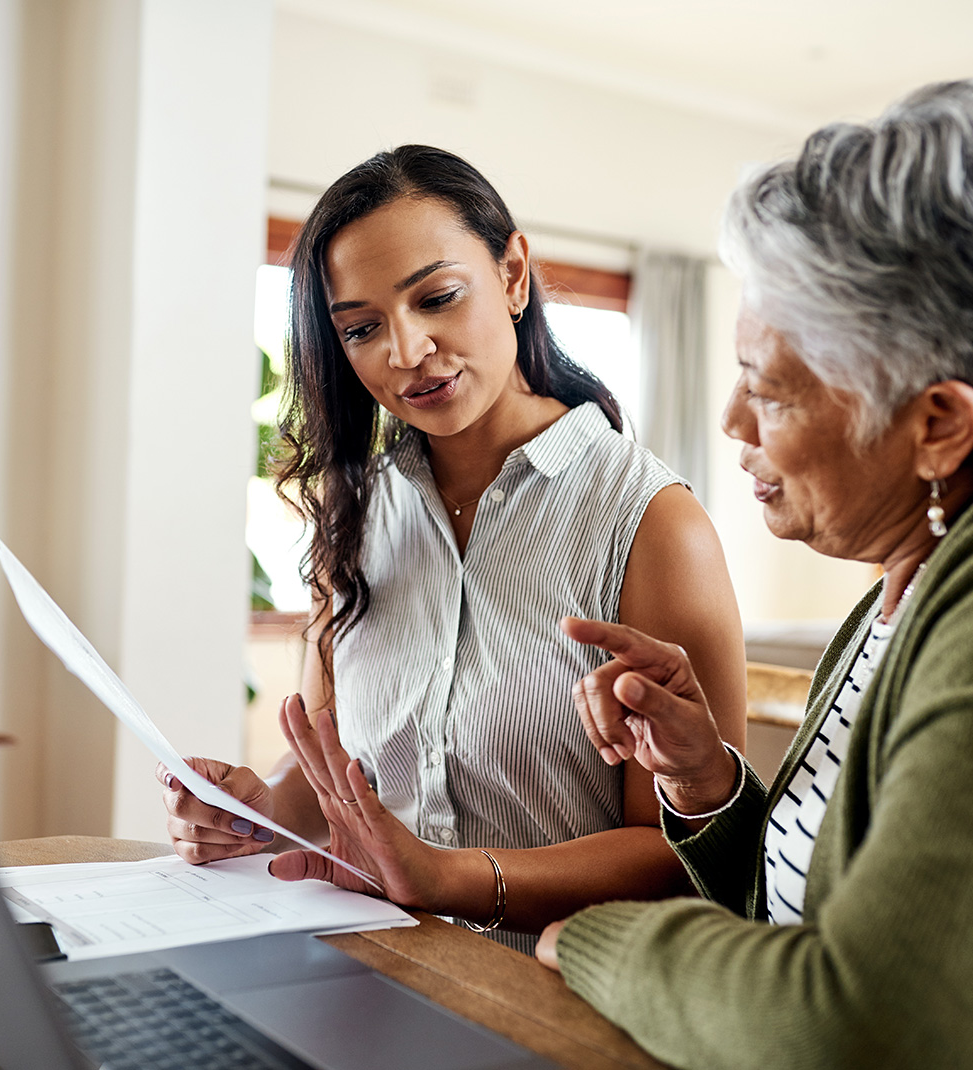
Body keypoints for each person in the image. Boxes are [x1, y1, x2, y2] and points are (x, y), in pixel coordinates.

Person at [534, 79, 973, 1067]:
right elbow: (816, 923)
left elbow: (874, 1030)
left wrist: (593, 934)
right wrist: (708, 778)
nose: (733, 424)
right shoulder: (928, 559)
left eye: (769, 389)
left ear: (938, 425)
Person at [157, 145, 747, 954]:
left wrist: (448, 876)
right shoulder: (354, 511)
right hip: (368, 972)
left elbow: (688, 852)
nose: (405, 352)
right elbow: (337, 772)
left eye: (436, 297)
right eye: (362, 328)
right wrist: (253, 812)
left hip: (550, 996)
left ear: (513, 275)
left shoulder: (652, 524)